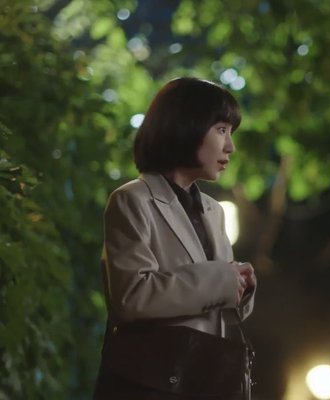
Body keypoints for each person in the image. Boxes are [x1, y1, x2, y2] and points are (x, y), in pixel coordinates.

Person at [93, 77, 256, 400]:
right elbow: (132, 297)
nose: (230, 147)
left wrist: (241, 287)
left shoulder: (213, 210)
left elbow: (215, 307)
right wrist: (222, 280)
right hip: (149, 384)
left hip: (202, 382)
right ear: (187, 126)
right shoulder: (132, 200)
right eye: (222, 130)